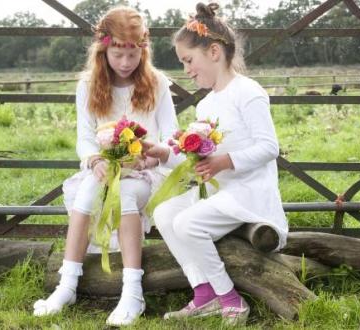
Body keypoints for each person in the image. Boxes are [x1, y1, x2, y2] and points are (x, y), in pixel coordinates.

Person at [145, 2, 288, 325]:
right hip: (220, 193)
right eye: (183, 63)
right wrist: (163, 153)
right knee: (165, 213)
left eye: (188, 60)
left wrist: (225, 161)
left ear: (213, 52)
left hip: (250, 193)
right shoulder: (207, 103)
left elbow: (269, 147)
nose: (187, 70)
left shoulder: (247, 92)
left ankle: (231, 299)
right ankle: (204, 293)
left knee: (187, 223)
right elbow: (197, 159)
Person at [32, 6, 177, 327]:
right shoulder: (88, 84)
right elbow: (84, 139)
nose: (125, 63)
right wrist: (96, 159)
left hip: (145, 171)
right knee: (85, 196)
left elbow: (172, 136)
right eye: (117, 54)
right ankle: (67, 285)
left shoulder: (157, 83)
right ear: (103, 50)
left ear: (143, 50)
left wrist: (152, 155)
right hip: (104, 168)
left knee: (125, 195)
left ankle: (132, 292)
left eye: (132, 54)